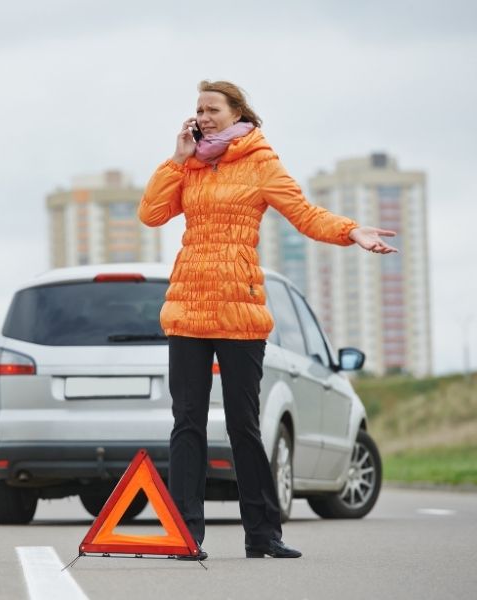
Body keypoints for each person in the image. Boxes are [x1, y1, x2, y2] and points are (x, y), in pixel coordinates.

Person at [138, 80, 397, 560]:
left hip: (240, 312)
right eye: (198, 109)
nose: (204, 116)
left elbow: (303, 214)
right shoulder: (190, 165)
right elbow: (151, 214)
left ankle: (262, 533)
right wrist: (175, 159)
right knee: (187, 423)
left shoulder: (261, 162)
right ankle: (185, 535)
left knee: (244, 425)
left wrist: (351, 231)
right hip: (188, 310)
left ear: (237, 112)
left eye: (212, 108)